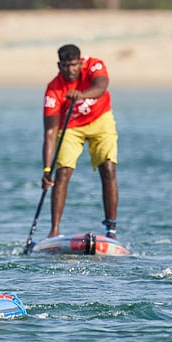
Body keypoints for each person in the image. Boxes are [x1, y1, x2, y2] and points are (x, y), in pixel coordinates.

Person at [41, 44, 119, 239]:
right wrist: (46, 170)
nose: (70, 70)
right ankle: (54, 231)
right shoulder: (54, 89)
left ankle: (111, 230)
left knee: (108, 168)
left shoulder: (94, 65)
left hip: (100, 120)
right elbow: (50, 132)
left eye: (74, 65)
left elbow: (101, 87)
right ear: (59, 66)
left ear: (80, 62)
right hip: (72, 127)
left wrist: (81, 95)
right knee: (63, 172)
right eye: (66, 66)